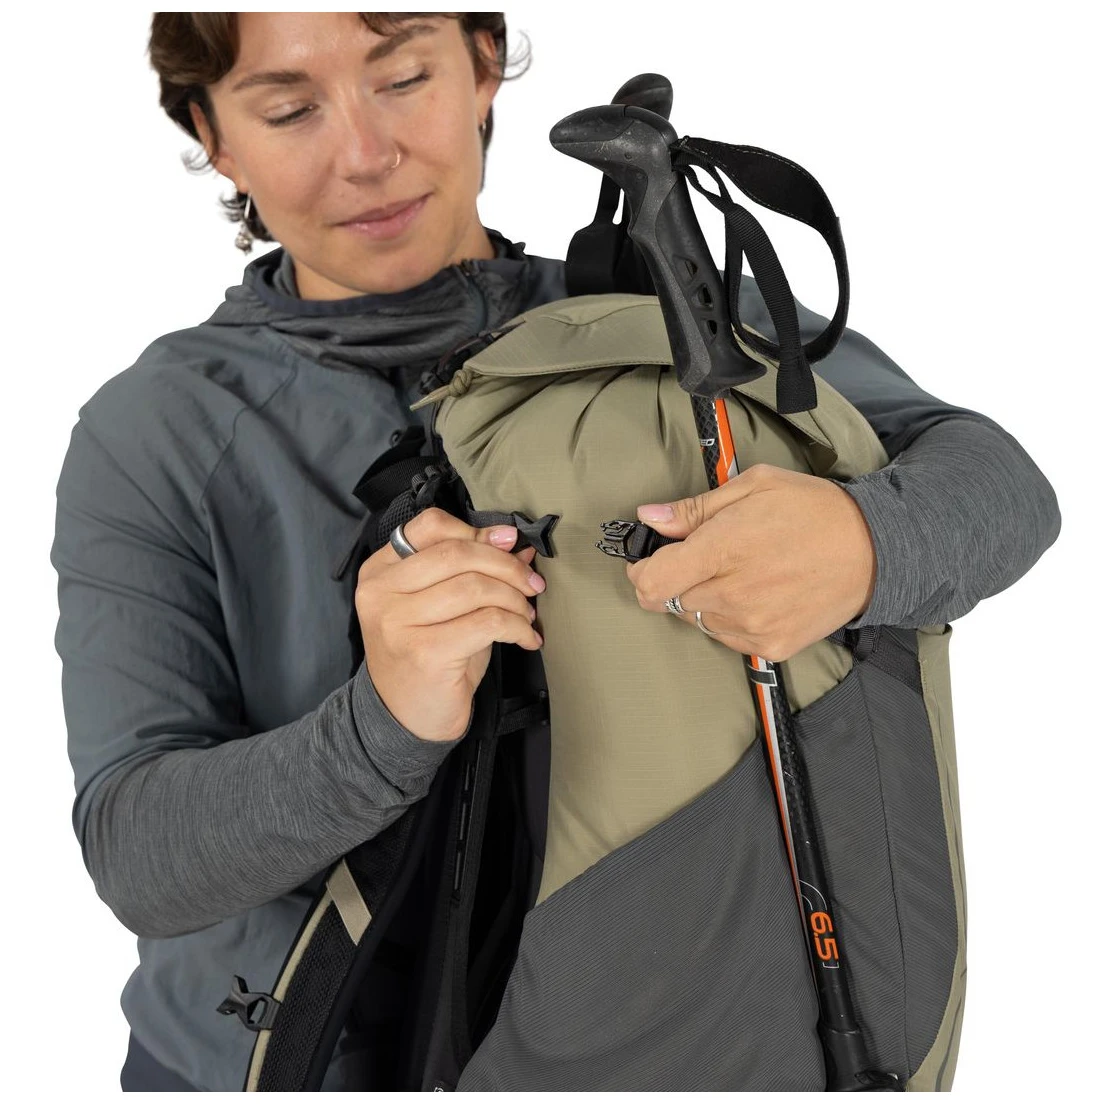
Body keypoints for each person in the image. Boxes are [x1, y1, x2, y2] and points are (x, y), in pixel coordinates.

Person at [50, 11, 1061, 1093]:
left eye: (403, 78)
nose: (365, 153)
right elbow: (138, 855)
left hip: (661, 1040)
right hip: (267, 1066)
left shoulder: (659, 319)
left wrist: (861, 543)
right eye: (291, 109)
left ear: (483, 65)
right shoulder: (160, 429)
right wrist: (382, 726)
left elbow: (1001, 486)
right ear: (213, 135)